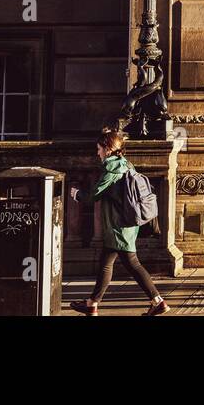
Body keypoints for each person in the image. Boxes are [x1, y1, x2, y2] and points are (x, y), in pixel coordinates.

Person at [69, 127, 168, 316]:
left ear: (107, 149)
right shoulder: (126, 164)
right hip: (126, 224)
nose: (97, 153)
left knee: (131, 264)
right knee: (108, 263)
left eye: (99, 148)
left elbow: (94, 195)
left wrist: (77, 195)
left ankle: (158, 301)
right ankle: (92, 304)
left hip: (118, 227)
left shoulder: (111, 169)